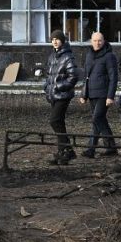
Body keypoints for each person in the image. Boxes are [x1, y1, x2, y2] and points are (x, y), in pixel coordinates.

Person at [79, 30, 119, 158]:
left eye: (99, 40)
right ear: (91, 41)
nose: (97, 43)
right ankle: (94, 149)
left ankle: (108, 146)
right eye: (95, 40)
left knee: (96, 118)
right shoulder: (89, 55)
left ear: (104, 41)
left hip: (103, 94)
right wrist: (83, 94)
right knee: (99, 120)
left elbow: (114, 77)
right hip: (92, 93)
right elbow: (86, 76)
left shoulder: (109, 56)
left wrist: (110, 96)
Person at [43, 30, 79, 165]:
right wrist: (47, 87)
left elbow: (73, 77)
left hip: (63, 95)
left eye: (57, 39)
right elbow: (48, 75)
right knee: (59, 123)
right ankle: (64, 152)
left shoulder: (68, 57)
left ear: (62, 41)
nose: (54, 41)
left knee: (54, 121)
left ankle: (67, 150)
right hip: (53, 95)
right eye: (52, 39)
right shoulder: (52, 56)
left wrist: (58, 87)